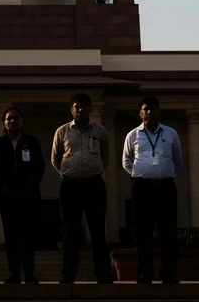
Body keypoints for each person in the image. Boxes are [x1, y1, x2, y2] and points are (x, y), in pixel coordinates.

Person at [50, 92, 113, 284]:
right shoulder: (62, 131)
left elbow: (105, 157)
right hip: (70, 185)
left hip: (95, 184)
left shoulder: (99, 130)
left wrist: (94, 171)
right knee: (70, 231)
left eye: (84, 106)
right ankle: (68, 274)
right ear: (71, 109)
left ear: (90, 108)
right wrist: (69, 172)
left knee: (98, 231)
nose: (81, 109)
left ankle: (102, 274)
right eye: (77, 106)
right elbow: (55, 158)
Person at [122, 96, 183, 284]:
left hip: (165, 187)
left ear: (159, 111)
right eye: (145, 109)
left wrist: (161, 172)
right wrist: (142, 173)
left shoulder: (171, 133)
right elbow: (126, 161)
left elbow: (178, 160)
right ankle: (144, 273)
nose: (149, 112)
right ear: (140, 112)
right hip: (142, 187)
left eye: (153, 109)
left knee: (168, 232)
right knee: (142, 233)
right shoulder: (133, 135)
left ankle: (169, 272)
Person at [0, 105, 44, 284]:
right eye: (9, 118)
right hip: (6, 199)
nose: (13, 121)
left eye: (16, 117)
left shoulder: (31, 142)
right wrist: (4, 189)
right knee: (11, 239)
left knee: (27, 238)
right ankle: (14, 274)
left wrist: (26, 190)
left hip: (27, 198)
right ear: (4, 122)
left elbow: (39, 168)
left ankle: (29, 274)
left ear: (22, 121)